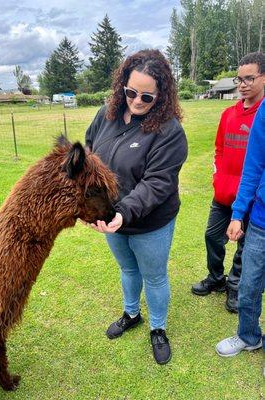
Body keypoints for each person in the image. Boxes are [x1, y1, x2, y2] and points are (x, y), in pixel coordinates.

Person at [85, 49, 187, 364]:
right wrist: (90, 205)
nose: (137, 101)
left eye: (147, 96)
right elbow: (88, 151)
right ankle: (132, 314)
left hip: (150, 221)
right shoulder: (106, 114)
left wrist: (122, 212)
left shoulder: (169, 131)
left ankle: (158, 328)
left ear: (163, 95)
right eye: (131, 92)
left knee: (154, 276)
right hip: (112, 219)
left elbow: (157, 183)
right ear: (122, 87)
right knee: (128, 269)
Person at [192, 52, 265, 313]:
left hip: (251, 199)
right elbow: (219, 149)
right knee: (212, 236)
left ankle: (234, 287)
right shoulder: (227, 114)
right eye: (239, 78)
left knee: (244, 247)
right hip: (223, 195)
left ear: (263, 78)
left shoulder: (262, 115)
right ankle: (215, 278)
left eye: (250, 78)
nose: (243, 84)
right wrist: (218, 178)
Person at [216, 98, 265, 357]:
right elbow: (253, 166)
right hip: (260, 220)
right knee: (248, 286)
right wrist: (237, 213)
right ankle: (249, 336)